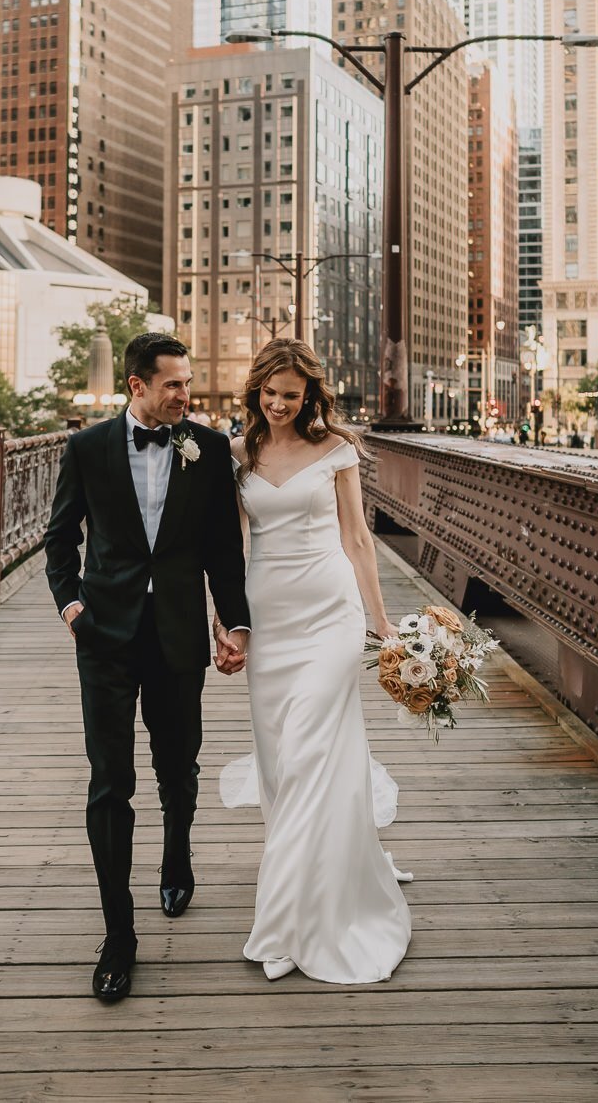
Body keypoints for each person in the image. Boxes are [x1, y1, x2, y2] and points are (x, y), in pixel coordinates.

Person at [44, 333, 251, 1003]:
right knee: (109, 782)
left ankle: (177, 852)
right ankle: (118, 936)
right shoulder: (87, 448)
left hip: (178, 632)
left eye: (188, 383)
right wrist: (72, 606)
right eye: (175, 385)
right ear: (136, 385)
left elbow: (223, 547)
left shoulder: (208, 448)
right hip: (104, 633)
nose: (187, 396)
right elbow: (59, 537)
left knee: (178, 762)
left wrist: (234, 622)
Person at [218, 339, 412, 985]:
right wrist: (227, 623)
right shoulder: (238, 453)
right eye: (268, 394)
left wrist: (379, 621)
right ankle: (305, 877)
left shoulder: (336, 451)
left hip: (329, 616)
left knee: (305, 752)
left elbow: (356, 539)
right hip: (269, 619)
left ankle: (283, 921)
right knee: (279, 764)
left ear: (310, 397)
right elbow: (236, 545)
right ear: (256, 392)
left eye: (290, 396)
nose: (277, 405)